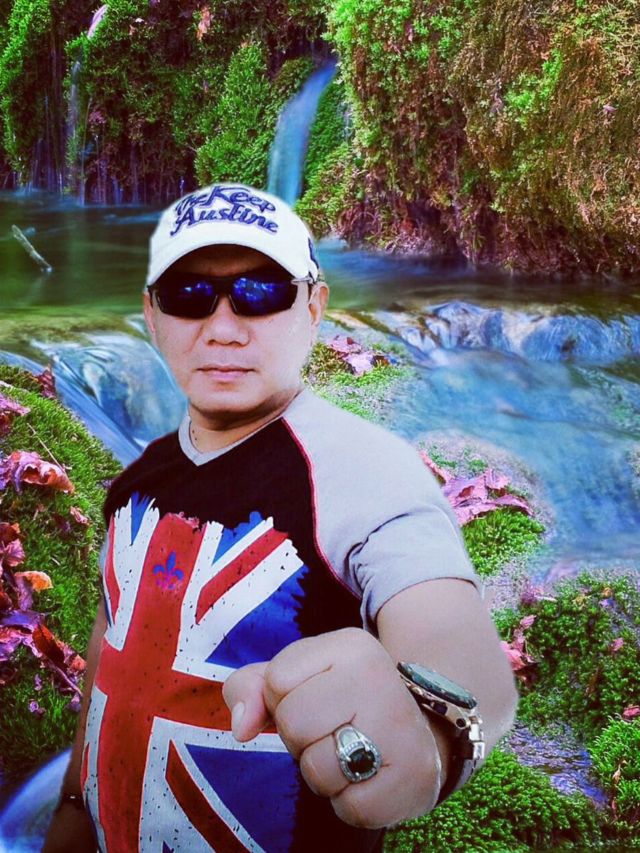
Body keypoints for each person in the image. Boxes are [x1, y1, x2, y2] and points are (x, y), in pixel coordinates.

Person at [43, 182, 517, 853]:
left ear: (313, 308)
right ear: (151, 314)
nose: (223, 328)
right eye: (188, 295)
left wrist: (434, 742)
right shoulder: (137, 482)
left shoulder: (364, 472)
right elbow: (109, 658)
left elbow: (468, 667)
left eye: (260, 292)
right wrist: (73, 806)